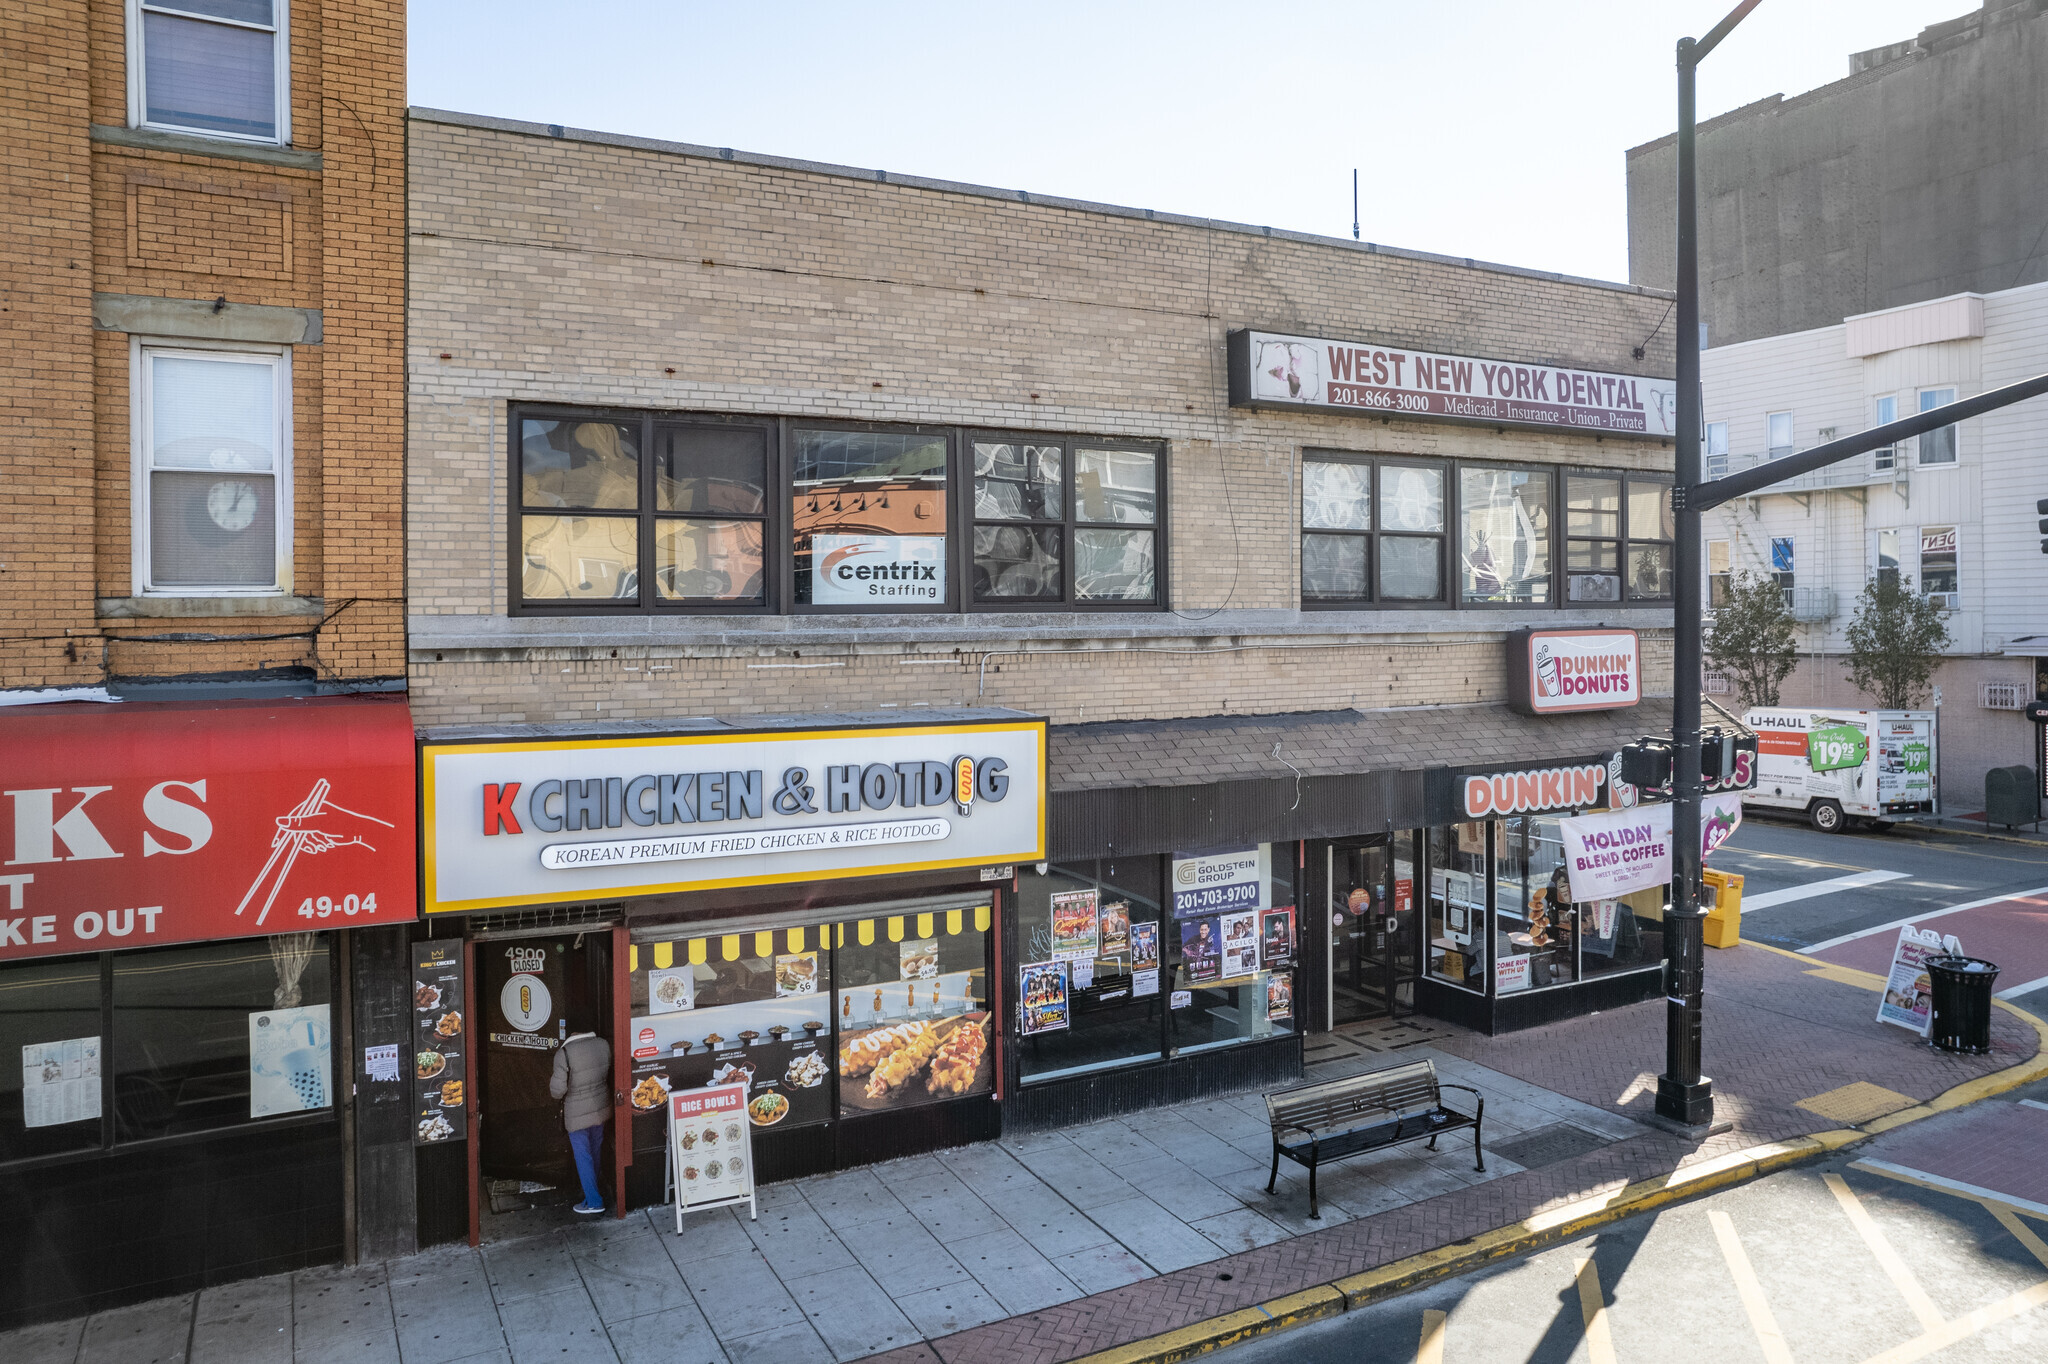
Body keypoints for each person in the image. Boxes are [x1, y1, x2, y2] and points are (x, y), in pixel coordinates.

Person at [550, 1026, 612, 1215]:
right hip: (600, 1106)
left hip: (576, 1113)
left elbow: (557, 1091)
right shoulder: (603, 1044)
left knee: (582, 1155)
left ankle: (593, 1200)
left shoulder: (564, 1054)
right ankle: (592, 1191)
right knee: (595, 1149)